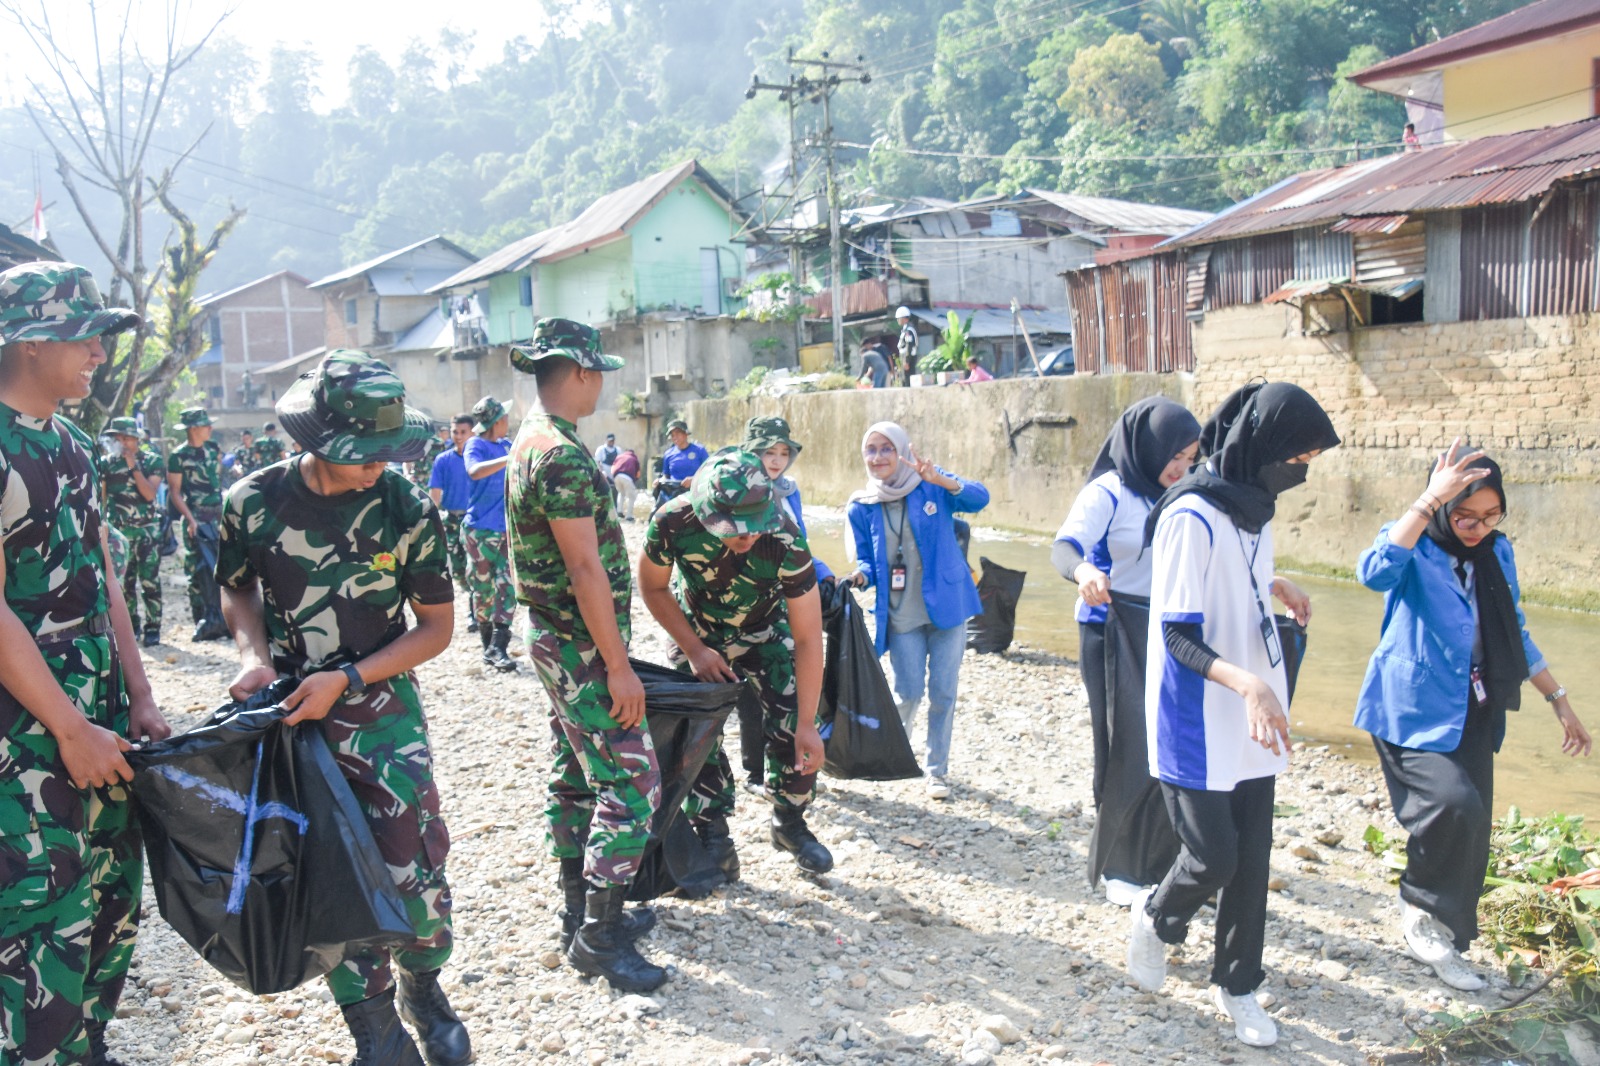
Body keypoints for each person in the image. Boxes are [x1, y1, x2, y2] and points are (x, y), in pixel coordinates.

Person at [217, 349, 470, 1066]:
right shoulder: (252, 502)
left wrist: (351, 679)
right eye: (366, 455)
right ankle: (375, 1032)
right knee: (330, 872)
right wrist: (251, 656)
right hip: (294, 719)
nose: (379, 466)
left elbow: (436, 628)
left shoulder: (404, 506)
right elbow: (236, 589)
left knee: (414, 871)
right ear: (317, 441)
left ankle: (423, 988)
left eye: (389, 453)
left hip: (384, 714)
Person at [1127, 382, 1339, 1049]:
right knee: (1214, 855)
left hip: (1255, 706)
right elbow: (1179, 635)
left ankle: (1238, 982)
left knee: (1252, 860)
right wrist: (1246, 684)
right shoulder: (1191, 516)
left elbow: (1239, 579)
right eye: (1296, 456)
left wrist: (1276, 584)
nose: (1299, 471)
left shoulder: (1254, 507)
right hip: (1198, 708)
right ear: (1263, 446)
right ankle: (1158, 916)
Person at [0, 260, 171, 1066]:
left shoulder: (74, 445)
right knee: (39, 909)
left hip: (97, 717)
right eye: (85, 335)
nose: (100, 351)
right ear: (30, 344)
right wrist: (68, 728)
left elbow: (103, 572)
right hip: (28, 736)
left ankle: (85, 1047)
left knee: (110, 894)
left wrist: (137, 692)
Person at [1354, 442, 1590, 991]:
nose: (1476, 527)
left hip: (1472, 708)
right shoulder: (1413, 544)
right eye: (1463, 514)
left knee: (1476, 822)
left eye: (1490, 516)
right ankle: (1417, 903)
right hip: (1408, 706)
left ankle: (1445, 934)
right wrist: (1426, 502)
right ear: (1441, 508)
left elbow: (1514, 631)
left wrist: (1560, 701)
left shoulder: (1497, 553)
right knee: (1452, 805)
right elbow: (1373, 573)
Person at [503, 317, 665, 993]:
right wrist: (619, 665)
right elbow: (584, 568)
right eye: (597, 371)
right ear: (577, 373)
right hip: (577, 644)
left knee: (573, 771)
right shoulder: (562, 455)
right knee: (632, 785)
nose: (601, 383)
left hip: (550, 636)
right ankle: (597, 936)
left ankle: (579, 908)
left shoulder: (531, 439)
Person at [640, 449, 831, 877]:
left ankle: (790, 822)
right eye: (732, 529)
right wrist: (693, 649)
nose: (745, 537)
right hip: (697, 633)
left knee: (794, 719)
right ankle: (713, 832)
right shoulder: (673, 520)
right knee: (694, 729)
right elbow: (652, 588)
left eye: (752, 527)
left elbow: (805, 636)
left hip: (764, 630)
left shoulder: (784, 534)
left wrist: (806, 723)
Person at [1052, 396, 1201, 906]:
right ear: (1146, 448)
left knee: (1166, 744)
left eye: (1190, 458)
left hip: (1167, 628)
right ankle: (1115, 856)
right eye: (1173, 457)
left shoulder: (1188, 494)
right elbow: (1063, 548)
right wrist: (1085, 571)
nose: (1180, 469)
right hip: (1110, 629)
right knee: (1120, 739)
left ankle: (1165, 851)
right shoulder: (1109, 492)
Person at [844, 422, 989, 800]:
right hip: (901, 614)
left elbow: (979, 498)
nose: (878, 457)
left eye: (886, 448)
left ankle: (936, 770)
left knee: (943, 691)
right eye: (871, 450)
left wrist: (941, 479)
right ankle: (895, 758)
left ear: (903, 450)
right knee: (906, 692)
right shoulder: (862, 506)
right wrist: (860, 574)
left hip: (948, 606)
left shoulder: (930, 486)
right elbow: (866, 559)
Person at [99, 416, 166, 648]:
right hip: (119, 536)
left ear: (136, 440)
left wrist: (132, 465)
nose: (121, 442)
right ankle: (132, 626)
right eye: (117, 438)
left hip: (147, 531)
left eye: (125, 437)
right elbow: (102, 498)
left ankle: (153, 628)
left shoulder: (152, 461)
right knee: (123, 585)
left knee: (150, 581)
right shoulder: (106, 464)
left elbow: (149, 494)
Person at [463, 396, 517, 672]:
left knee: (508, 586)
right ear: (496, 422)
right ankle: (487, 646)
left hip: (508, 531)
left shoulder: (507, 445)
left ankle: (500, 646)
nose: (508, 422)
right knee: (483, 589)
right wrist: (508, 459)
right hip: (480, 532)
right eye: (504, 418)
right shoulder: (477, 445)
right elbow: (473, 472)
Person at [167, 405, 228, 641]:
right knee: (197, 569)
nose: (210, 428)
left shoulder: (214, 449)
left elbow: (218, 482)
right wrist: (191, 519)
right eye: (205, 425)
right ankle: (202, 620)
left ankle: (222, 620)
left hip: (217, 516)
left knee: (221, 567)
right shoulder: (178, 456)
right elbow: (175, 492)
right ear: (193, 428)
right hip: (195, 518)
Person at [428, 415, 476, 633]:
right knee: (457, 569)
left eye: (462, 432)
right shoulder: (443, 460)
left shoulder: (479, 461)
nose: (458, 436)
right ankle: (472, 597)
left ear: (473, 433)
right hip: (451, 520)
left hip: (475, 521)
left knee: (475, 565)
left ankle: (475, 611)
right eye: (455, 432)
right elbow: (435, 493)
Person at [654, 418, 708, 512]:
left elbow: (709, 471)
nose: (674, 437)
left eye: (677, 433)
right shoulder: (668, 454)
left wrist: (694, 479)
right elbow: (666, 475)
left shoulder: (699, 450)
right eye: (672, 435)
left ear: (685, 433)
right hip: (674, 496)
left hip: (695, 494)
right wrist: (659, 481)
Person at [611, 448, 641, 522]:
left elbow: (613, 468)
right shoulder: (634, 459)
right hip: (627, 477)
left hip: (617, 476)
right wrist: (635, 481)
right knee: (632, 497)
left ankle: (619, 512)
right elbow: (638, 474)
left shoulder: (619, 456)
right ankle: (629, 516)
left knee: (621, 493)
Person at [894, 306, 918, 386]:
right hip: (904, 357)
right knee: (903, 379)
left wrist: (906, 361)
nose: (898, 320)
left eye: (899, 318)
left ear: (904, 318)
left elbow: (909, 346)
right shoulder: (905, 329)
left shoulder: (908, 330)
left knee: (908, 380)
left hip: (908, 357)